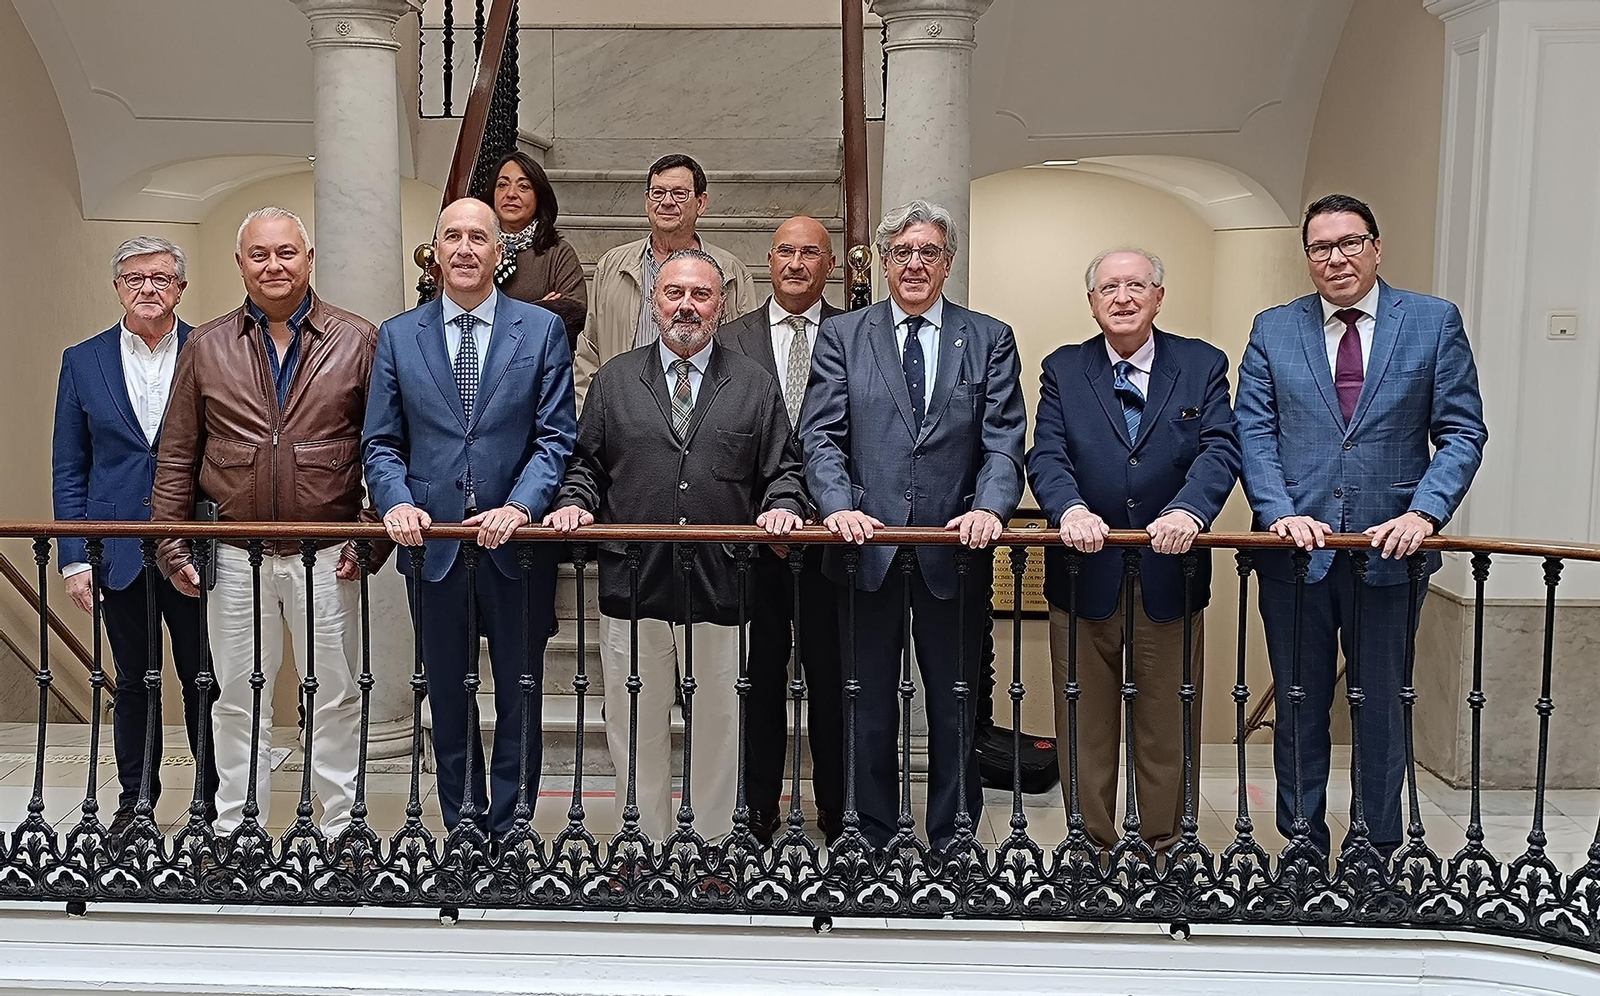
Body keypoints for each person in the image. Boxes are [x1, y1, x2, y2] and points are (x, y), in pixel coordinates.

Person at [1235, 193, 1487, 858]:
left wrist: (1425, 513)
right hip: (1295, 557)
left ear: (1376, 247)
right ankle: (1301, 846)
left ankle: (1374, 852)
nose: (1335, 257)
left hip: (1390, 555)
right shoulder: (1273, 328)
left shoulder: (1432, 323)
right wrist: (1279, 511)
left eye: (1349, 243)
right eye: (1321, 247)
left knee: (1379, 710)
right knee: (1296, 707)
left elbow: (1462, 432)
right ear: (1308, 258)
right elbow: (1253, 432)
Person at [545, 248, 806, 844]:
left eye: (700, 295)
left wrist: (783, 507)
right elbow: (586, 464)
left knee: (719, 727)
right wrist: (574, 502)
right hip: (633, 585)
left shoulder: (753, 383)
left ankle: (714, 848)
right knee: (633, 727)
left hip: (722, 587)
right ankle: (645, 846)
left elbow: (784, 470)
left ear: (720, 304)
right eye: (673, 293)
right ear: (654, 301)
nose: (686, 306)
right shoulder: (615, 379)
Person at [152, 207, 386, 838]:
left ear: (309, 259)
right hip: (233, 553)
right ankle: (236, 832)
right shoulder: (205, 346)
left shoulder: (358, 339)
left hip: (329, 549)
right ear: (239, 264)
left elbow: (385, 446)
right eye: (259, 254)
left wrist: (370, 536)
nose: (274, 265)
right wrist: (173, 544)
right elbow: (177, 455)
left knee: (335, 695)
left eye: (286, 252)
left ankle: (340, 834)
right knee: (235, 698)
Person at [800, 199, 1027, 851]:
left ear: (948, 263)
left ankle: (954, 841)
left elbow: (1005, 440)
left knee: (956, 708)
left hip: (952, 554)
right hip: (862, 551)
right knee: (864, 706)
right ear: (883, 261)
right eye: (903, 251)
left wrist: (990, 505)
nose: (916, 264)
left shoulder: (988, 338)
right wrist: (837, 503)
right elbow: (821, 435)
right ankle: (869, 837)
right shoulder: (844, 337)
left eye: (929, 252)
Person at [365, 198, 576, 841]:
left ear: (499, 251)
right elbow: (380, 442)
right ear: (435, 250)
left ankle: (511, 828)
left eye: (477, 237)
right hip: (434, 546)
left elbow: (555, 438)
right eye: (451, 236)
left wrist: (522, 505)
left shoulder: (541, 331)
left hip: (517, 545)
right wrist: (396, 499)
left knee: (521, 690)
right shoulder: (399, 335)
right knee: (449, 694)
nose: (464, 248)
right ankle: (461, 825)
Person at [1026, 248, 1240, 852]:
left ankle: (1165, 849)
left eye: (1135, 286)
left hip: (1171, 572)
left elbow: (1221, 449)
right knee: (1083, 725)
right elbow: (1046, 454)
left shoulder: (1201, 364)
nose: (1122, 297)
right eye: (1108, 288)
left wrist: (1189, 509)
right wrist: (1067, 509)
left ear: (1158, 296)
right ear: (1091, 302)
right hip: (1081, 571)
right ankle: (1087, 848)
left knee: (1167, 723)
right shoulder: (1064, 369)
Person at [52, 236, 218, 838]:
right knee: (134, 679)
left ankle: (211, 805)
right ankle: (135, 803)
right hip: (116, 552)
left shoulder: (210, 349)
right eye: (134, 279)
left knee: (205, 677)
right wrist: (74, 558)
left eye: (159, 278)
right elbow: (70, 466)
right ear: (118, 288)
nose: (147, 288)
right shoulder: (83, 360)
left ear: (180, 287)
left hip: (193, 548)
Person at [719, 216, 846, 845]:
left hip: (835, 543)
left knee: (836, 684)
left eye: (811, 254)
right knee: (756, 684)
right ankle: (756, 816)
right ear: (768, 260)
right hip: (752, 546)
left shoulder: (857, 333)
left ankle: (839, 817)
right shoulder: (730, 337)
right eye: (785, 252)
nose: (796, 263)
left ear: (832, 265)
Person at [585, 154, 756, 366]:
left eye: (679, 194)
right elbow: (589, 350)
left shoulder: (730, 272)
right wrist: (593, 399)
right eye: (658, 193)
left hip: (708, 396)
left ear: (701, 203)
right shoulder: (612, 266)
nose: (666, 202)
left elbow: (748, 351)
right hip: (623, 396)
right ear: (647, 201)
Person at [482, 149, 600, 408]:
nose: (511, 193)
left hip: (538, 385)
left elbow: (572, 320)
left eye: (524, 186)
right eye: (503, 184)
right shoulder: (475, 250)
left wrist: (492, 317)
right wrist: (539, 310)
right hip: (478, 379)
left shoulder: (558, 253)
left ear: (539, 197)